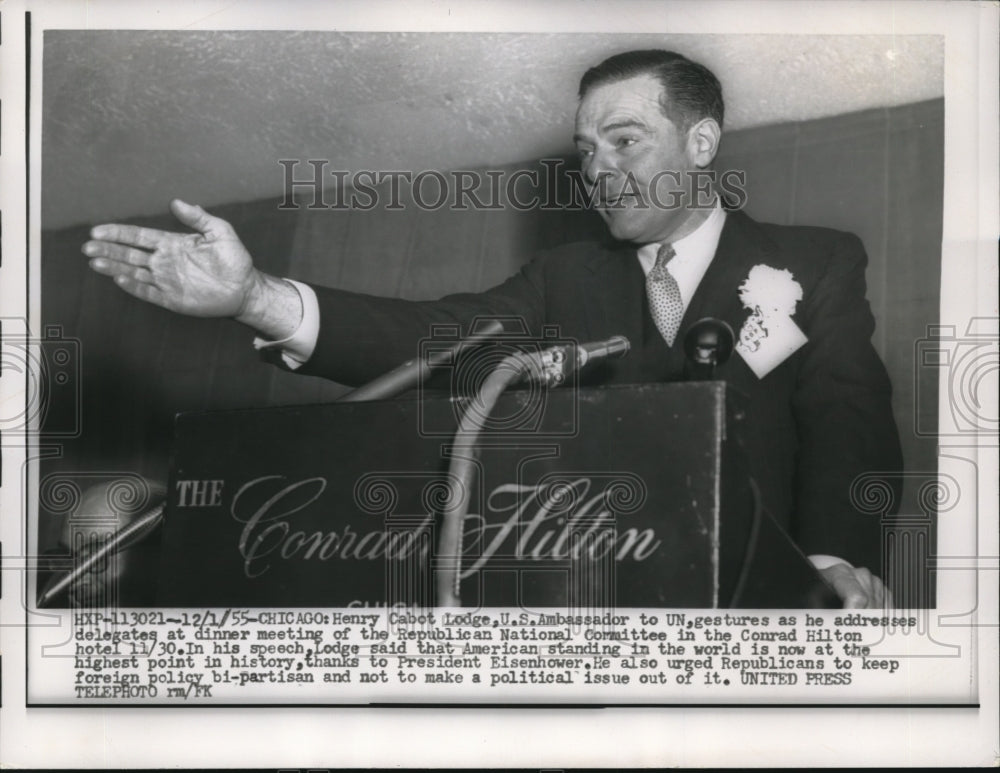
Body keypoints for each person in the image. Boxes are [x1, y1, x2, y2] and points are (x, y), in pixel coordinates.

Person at [81, 49, 902, 608]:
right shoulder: (563, 280)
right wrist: (256, 296)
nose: (599, 171)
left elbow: (847, 425)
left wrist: (828, 562)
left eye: (624, 140)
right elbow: (439, 340)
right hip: (586, 607)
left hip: (757, 605)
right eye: (586, 151)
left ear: (701, 140)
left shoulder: (816, 263)